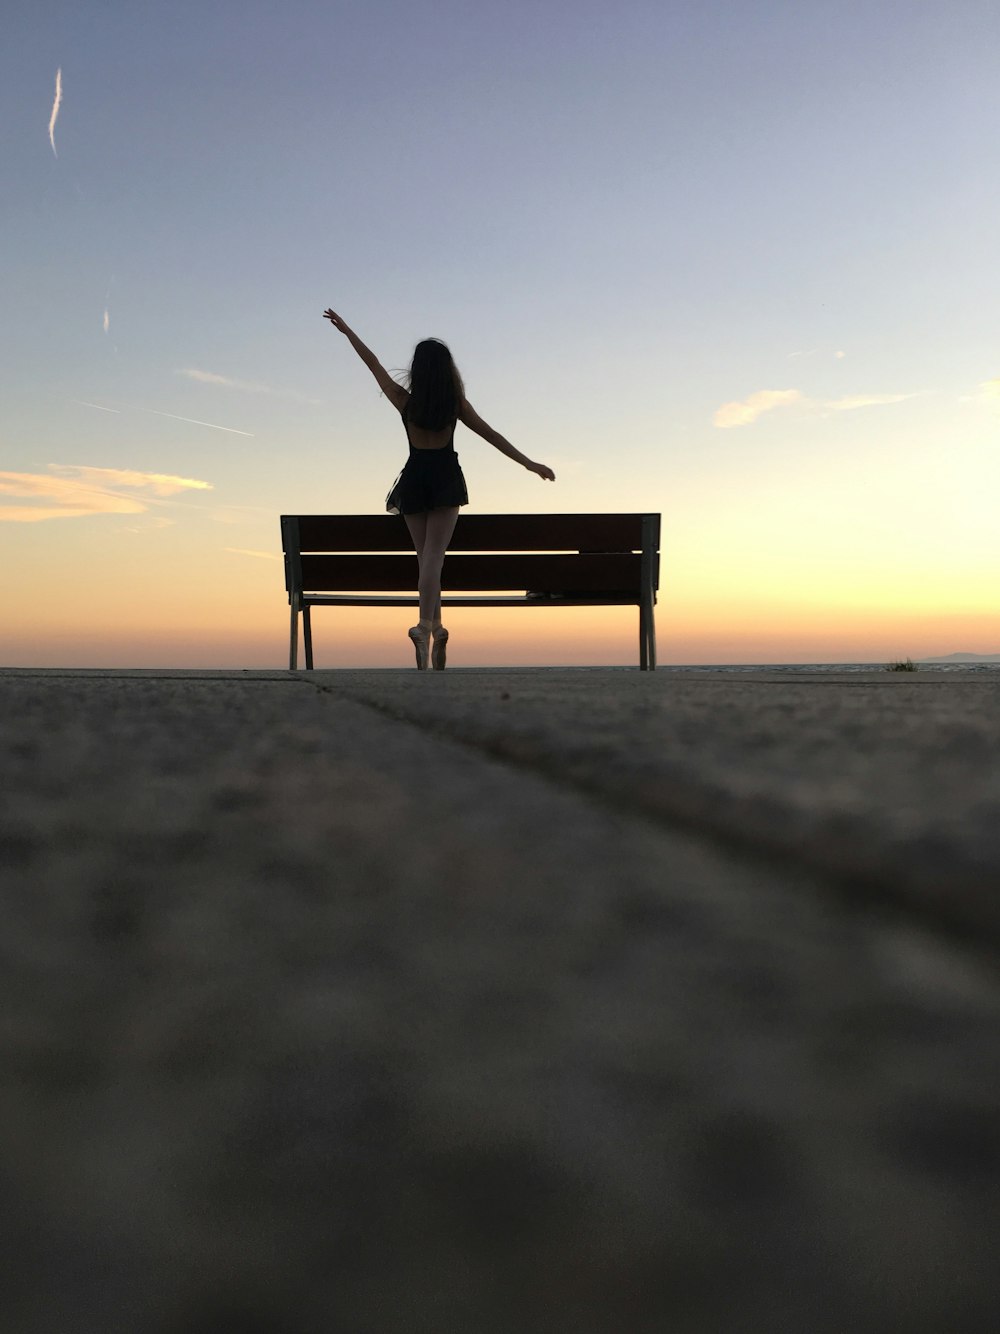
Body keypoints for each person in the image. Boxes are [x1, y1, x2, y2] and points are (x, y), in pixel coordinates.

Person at [323, 310, 556, 669]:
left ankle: (437, 628)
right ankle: (424, 626)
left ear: (417, 370)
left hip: (414, 478)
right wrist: (530, 464)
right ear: (447, 370)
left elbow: (373, 363)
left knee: (426, 558)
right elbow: (492, 436)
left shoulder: (405, 401)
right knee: (434, 557)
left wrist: (347, 331)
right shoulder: (455, 405)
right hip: (446, 477)